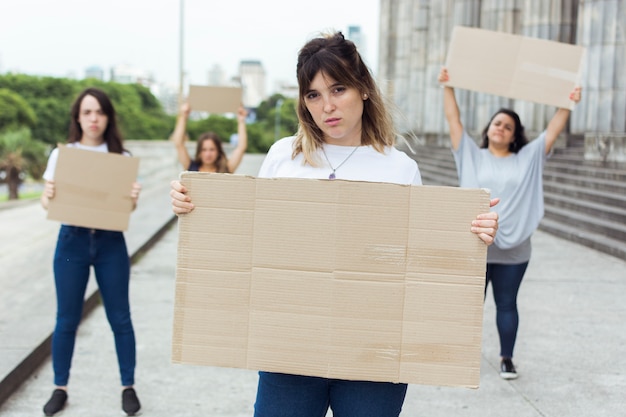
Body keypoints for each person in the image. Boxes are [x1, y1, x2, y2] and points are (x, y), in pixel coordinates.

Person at [170, 32, 499, 417]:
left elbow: (418, 261)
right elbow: (252, 239)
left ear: (362, 89)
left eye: (337, 89)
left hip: (372, 354)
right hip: (289, 348)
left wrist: (470, 235)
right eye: (313, 95)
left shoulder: (399, 168)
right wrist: (194, 208)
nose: (327, 106)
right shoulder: (283, 158)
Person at [437, 67, 582, 380]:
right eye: (497, 123)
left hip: (515, 247)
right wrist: (448, 86)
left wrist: (569, 102)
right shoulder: (470, 154)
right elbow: (454, 120)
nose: (501, 128)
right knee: (470, 306)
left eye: (508, 126)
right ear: (489, 128)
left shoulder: (528, 158)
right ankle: (460, 356)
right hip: (476, 243)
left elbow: (553, 131)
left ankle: (506, 359)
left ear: (515, 135)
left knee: (506, 304)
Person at [40, 87, 142, 416]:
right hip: (72, 240)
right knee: (66, 318)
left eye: (99, 111)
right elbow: (46, 202)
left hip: (110, 242)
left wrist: (132, 198)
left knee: (120, 318)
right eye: (87, 112)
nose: (93, 118)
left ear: (108, 116)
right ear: (78, 117)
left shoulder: (121, 159)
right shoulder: (64, 155)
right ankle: (60, 387)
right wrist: (50, 194)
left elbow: (127, 206)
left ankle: (128, 386)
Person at [171, 102, 248, 173]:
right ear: (199, 152)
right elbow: (178, 144)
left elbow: (241, 148)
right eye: (204, 150)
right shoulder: (191, 167)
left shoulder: (226, 169)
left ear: (218, 151)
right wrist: (183, 117)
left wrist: (241, 121)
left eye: (212, 149)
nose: (208, 154)